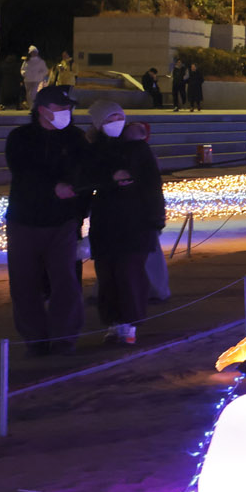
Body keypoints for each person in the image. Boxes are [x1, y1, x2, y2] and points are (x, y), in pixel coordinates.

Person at [4, 85, 91, 356]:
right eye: (61, 108)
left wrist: (79, 206)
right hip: (25, 221)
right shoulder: (21, 138)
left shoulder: (75, 138)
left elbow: (86, 173)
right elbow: (22, 173)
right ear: (42, 111)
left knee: (65, 281)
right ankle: (35, 339)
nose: (67, 113)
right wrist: (52, 188)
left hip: (63, 221)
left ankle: (65, 337)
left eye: (69, 108)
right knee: (24, 283)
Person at [82, 102, 165, 346]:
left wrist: (156, 219)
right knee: (108, 275)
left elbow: (152, 185)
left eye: (119, 117)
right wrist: (110, 179)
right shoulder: (93, 149)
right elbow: (85, 178)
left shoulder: (138, 149)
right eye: (110, 118)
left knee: (130, 274)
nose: (116, 121)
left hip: (136, 222)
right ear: (98, 124)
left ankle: (129, 325)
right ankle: (112, 323)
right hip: (106, 222)